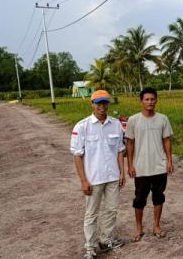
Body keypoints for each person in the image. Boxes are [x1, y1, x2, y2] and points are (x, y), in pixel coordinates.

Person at [70, 90, 126, 259]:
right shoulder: (82, 126)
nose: (101, 106)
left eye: (104, 102)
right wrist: (83, 180)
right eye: (98, 103)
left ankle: (106, 240)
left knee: (111, 210)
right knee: (91, 214)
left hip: (112, 177)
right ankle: (90, 248)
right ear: (92, 104)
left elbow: (119, 151)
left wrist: (122, 173)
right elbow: (77, 155)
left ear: (109, 104)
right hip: (93, 179)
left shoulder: (116, 124)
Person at [125, 87, 174, 242]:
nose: (150, 102)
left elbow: (167, 140)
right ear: (141, 101)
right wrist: (130, 165)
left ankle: (156, 225)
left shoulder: (163, 119)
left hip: (159, 166)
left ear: (156, 100)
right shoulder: (133, 120)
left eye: (152, 99)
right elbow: (130, 143)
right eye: (147, 99)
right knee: (139, 198)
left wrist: (169, 161)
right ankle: (139, 227)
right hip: (141, 167)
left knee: (158, 197)